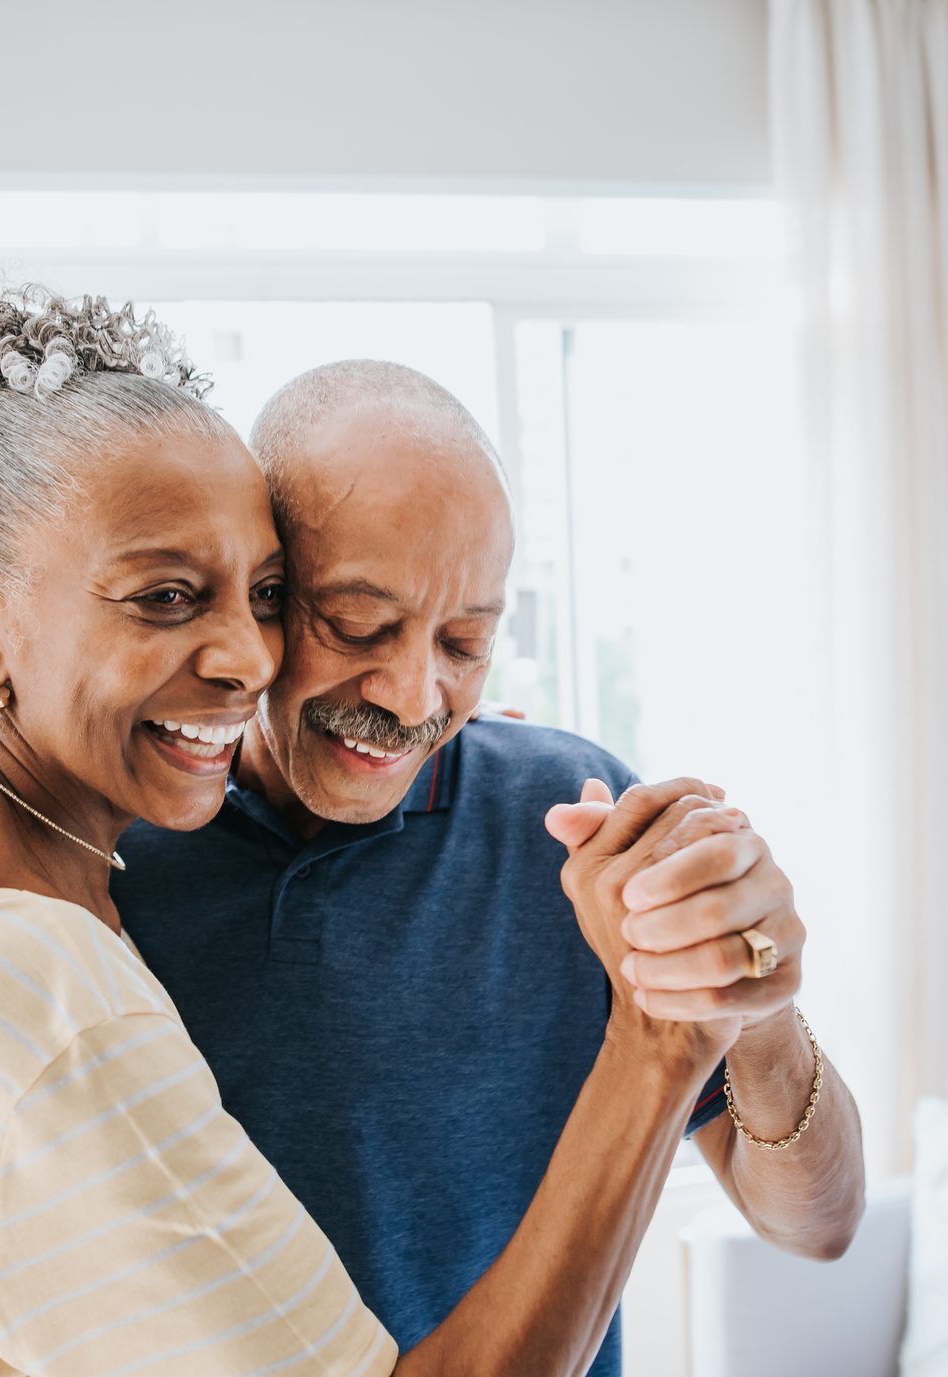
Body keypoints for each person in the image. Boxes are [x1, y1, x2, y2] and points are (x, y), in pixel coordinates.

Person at [0, 283, 768, 1377]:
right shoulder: (54, 1003)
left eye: (264, 594)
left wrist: (756, 1005)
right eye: (165, 597)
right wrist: (659, 1043)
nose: (246, 659)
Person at [114, 360, 867, 1376]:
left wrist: (756, 1008)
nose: (413, 692)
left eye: (465, 642)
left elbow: (818, 1227)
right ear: (259, 589)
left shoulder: (577, 819)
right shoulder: (110, 855)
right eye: (359, 625)